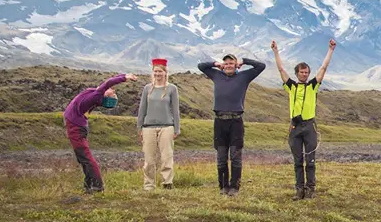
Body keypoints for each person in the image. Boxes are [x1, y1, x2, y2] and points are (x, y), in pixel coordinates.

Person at [272, 38, 336, 200]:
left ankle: (310, 190)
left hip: (309, 127)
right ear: (297, 73)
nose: (305, 74)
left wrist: (330, 50)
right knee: (298, 161)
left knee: (311, 160)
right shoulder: (291, 86)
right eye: (302, 72)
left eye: (307, 72)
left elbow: (323, 67)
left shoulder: (313, 85)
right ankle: (299, 190)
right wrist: (276, 52)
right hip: (295, 127)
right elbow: (280, 69)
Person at [197, 53, 266, 195]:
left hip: (236, 121)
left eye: (231, 63)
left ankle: (234, 187)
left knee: (235, 155)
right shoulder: (216, 75)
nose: (228, 66)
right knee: (221, 156)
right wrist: (216, 64)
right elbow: (201, 66)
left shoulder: (244, 77)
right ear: (223, 65)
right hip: (220, 121)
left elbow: (261, 66)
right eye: (226, 63)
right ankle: (223, 187)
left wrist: (244, 61)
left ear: (236, 66)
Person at [63, 72, 137, 193]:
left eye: (113, 93)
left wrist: (125, 78)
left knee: (86, 157)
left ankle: (98, 186)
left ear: (105, 97)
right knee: (82, 158)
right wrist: (125, 74)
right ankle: (88, 186)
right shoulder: (95, 92)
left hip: (75, 128)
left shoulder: (97, 96)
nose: (113, 91)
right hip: (76, 126)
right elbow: (110, 82)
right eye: (113, 91)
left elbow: (108, 83)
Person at [136, 58, 180, 191]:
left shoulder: (172, 89)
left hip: (167, 126)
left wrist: (177, 128)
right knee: (149, 158)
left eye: (160, 71)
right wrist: (139, 127)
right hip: (148, 127)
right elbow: (142, 109)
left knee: (167, 156)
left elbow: (175, 110)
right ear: (152, 72)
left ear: (165, 72)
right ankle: (149, 185)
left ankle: (167, 183)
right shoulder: (147, 89)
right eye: (155, 71)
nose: (157, 74)